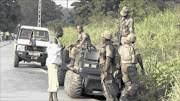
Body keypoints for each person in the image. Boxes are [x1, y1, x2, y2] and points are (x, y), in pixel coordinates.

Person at [118, 34, 145, 101]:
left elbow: (118, 58)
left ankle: (126, 97)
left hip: (123, 66)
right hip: (130, 66)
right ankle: (126, 95)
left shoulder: (121, 47)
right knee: (136, 84)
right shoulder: (133, 47)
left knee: (128, 83)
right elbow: (139, 58)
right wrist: (142, 68)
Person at [99, 31, 119, 101]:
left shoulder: (109, 47)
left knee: (108, 90)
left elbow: (108, 58)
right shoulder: (109, 45)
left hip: (109, 70)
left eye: (103, 38)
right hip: (109, 69)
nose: (102, 39)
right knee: (109, 89)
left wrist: (105, 70)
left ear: (105, 38)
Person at [46, 26, 63, 101]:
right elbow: (54, 51)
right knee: (55, 82)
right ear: (58, 32)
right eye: (61, 32)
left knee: (52, 81)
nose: (62, 33)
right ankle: (55, 98)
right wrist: (61, 48)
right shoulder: (54, 40)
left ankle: (50, 98)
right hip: (52, 63)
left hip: (53, 63)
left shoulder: (56, 40)